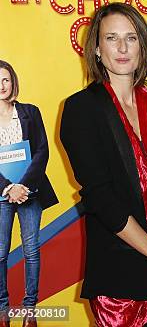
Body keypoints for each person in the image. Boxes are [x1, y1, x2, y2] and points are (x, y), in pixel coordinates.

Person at [60, 2, 147, 327]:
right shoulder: (80, 110)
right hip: (121, 280)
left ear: (143, 45)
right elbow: (101, 198)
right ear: (97, 49)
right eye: (111, 38)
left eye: (131, 37)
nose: (122, 47)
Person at [0, 60, 58, 327]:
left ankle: (29, 310)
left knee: (31, 250)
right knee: (0, 252)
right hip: (1, 194)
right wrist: (7, 188)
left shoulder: (30, 112)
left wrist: (22, 186)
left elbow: (42, 151)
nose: (1, 85)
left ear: (13, 82)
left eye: (5, 79)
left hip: (29, 192)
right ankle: (2, 309)